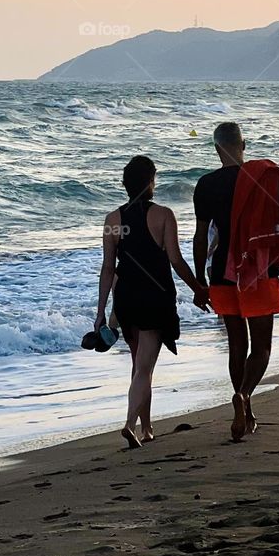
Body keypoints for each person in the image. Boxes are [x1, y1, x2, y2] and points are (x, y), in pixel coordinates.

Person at [194, 121, 279, 442]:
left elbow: (200, 237)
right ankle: (243, 395)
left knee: (237, 345)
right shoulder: (265, 176)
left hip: (221, 272)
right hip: (258, 269)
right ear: (243, 145)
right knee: (262, 347)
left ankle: (247, 411)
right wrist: (271, 235)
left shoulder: (205, 184)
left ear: (217, 149)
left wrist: (199, 279)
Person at [95, 156, 210, 449]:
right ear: (150, 182)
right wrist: (198, 288)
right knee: (144, 368)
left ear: (125, 185)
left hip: (126, 298)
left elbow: (108, 268)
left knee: (139, 365)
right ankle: (129, 424)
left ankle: (146, 428)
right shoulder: (164, 215)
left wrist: (100, 313)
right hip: (154, 296)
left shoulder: (112, 220)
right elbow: (176, 260)